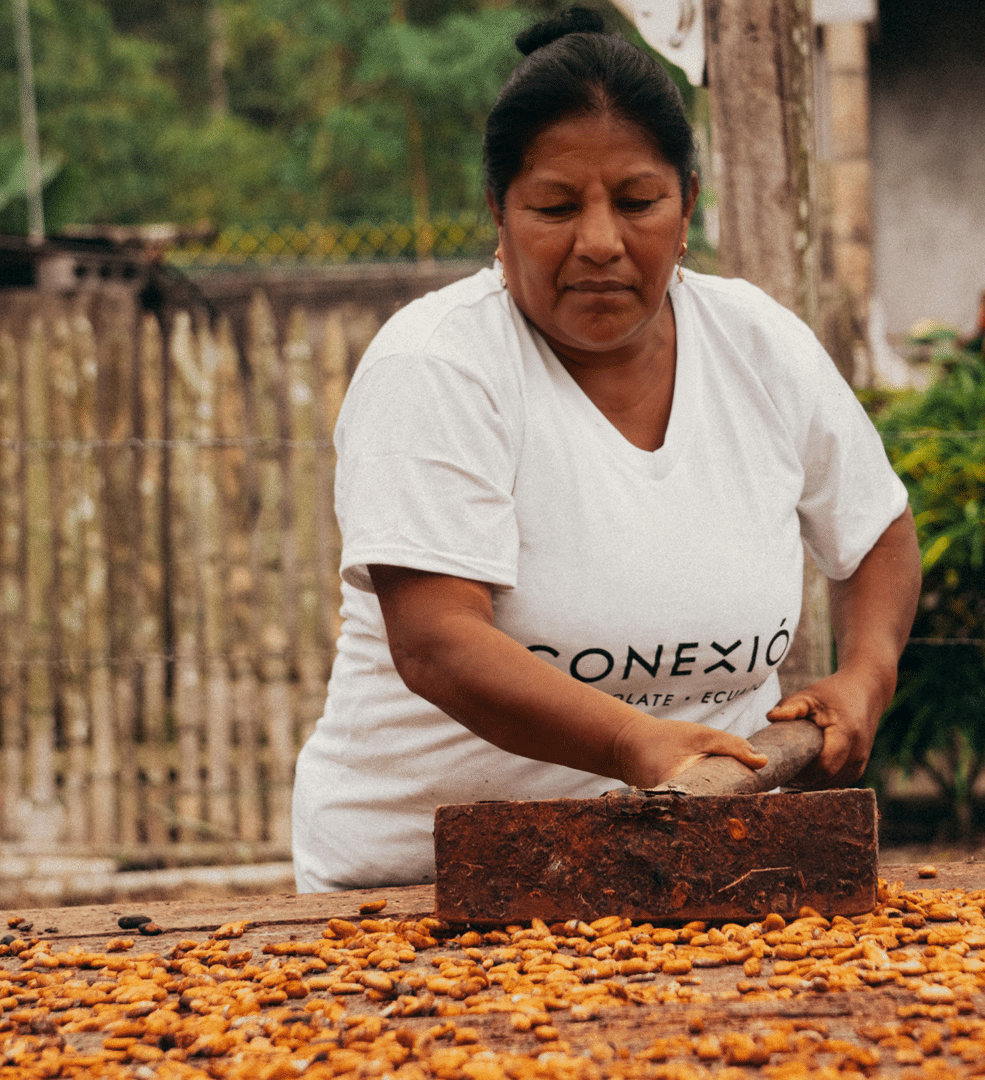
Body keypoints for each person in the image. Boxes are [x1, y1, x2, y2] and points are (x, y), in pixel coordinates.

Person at [291, 7, 921, 893]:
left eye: (637, 202)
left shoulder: (758, 344)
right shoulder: (437, 365)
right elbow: (436, 641)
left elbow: (877, 531)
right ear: (499, 213)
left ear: (688, 203)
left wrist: (866, 675)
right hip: (419, 899)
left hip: (714, 877)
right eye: (554, 207)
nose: (599, 242)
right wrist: (634, 740)